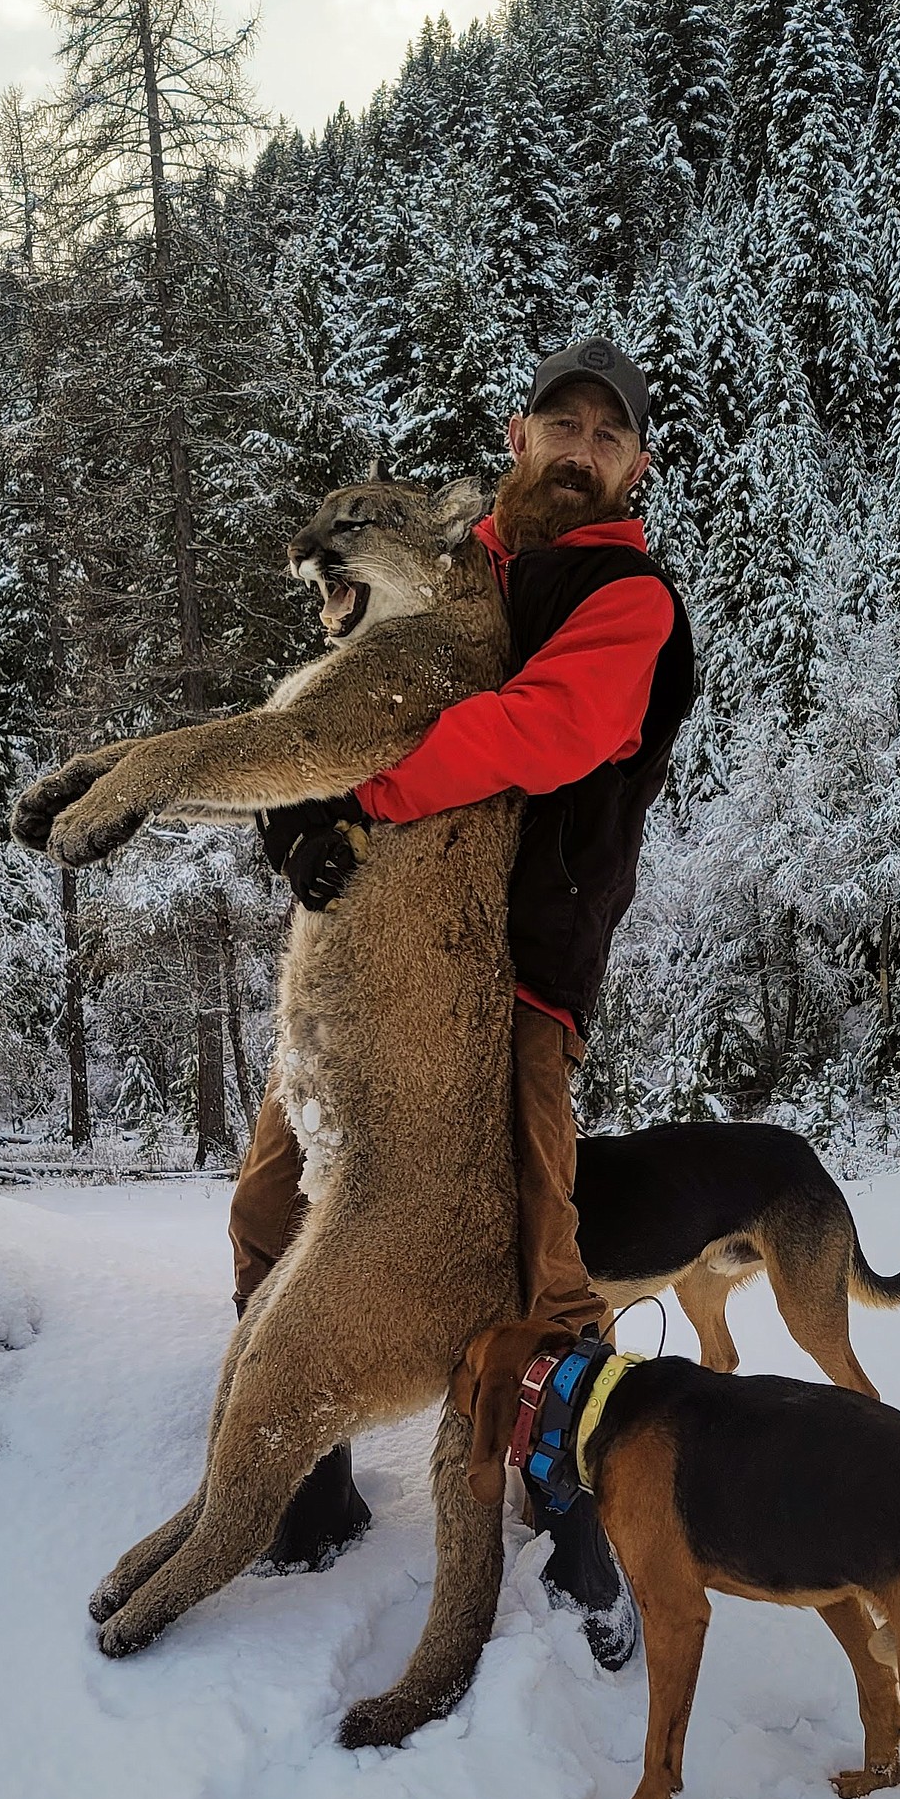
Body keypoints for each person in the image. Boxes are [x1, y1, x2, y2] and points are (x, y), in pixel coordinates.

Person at [231, 337, 695, 1665]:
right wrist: (304, 800)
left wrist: (357, 796)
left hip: (521, 967)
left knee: (542, 1248)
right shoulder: (449, 571)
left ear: (633, 466)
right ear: (517, 434)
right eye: (563, 421)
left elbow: (539, 729)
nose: (581, 445)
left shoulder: (626, 597)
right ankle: (296, 1451)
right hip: (380, 960)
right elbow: (353, 695)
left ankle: (571, 1487)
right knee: (274, 1192)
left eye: (608, 434)